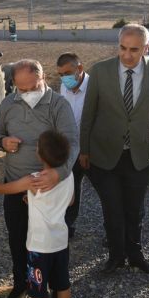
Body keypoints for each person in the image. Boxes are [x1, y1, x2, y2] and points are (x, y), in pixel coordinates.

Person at [80, 23, 149, 275]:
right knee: (113, 208)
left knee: (135, 209)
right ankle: (116, 257)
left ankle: (136, 256)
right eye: (122, 48)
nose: (127, 55)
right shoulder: (100, 71)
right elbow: (88, 112)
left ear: (146, 47)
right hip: (104, 154)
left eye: (134, 49)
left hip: (138, 155)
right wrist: (84, 149)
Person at [0, 59, 78, 298]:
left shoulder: (58, 105)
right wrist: (2, 142)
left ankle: (51, 285)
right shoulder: (8, 103)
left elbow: (72, 141)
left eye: (31, 87)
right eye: (21, 89)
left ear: (42, 78)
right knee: (18, 239)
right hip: (17, 184)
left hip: (48, 186)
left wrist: (59, 173)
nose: (26, 93)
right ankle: (22, 283)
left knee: (49, 242)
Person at [0, 130, 74, 298]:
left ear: (41, 155)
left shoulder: (33, 180)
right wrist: (36, 201)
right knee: (62, 284)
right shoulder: (68, 176)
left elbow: (0, 189)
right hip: (60, 242)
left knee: (39, 292)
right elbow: (70, 200)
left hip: (39, 248)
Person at [56, 52, 89, 238]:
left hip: (94, 149)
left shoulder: (95, 87)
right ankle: (68, 225)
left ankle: (112, 230)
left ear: (80, 68)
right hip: (72, 149)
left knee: (106, 191)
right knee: (72, 186)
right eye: (61, 74)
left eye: (68, 73)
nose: (64, 78)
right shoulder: (63, 88)